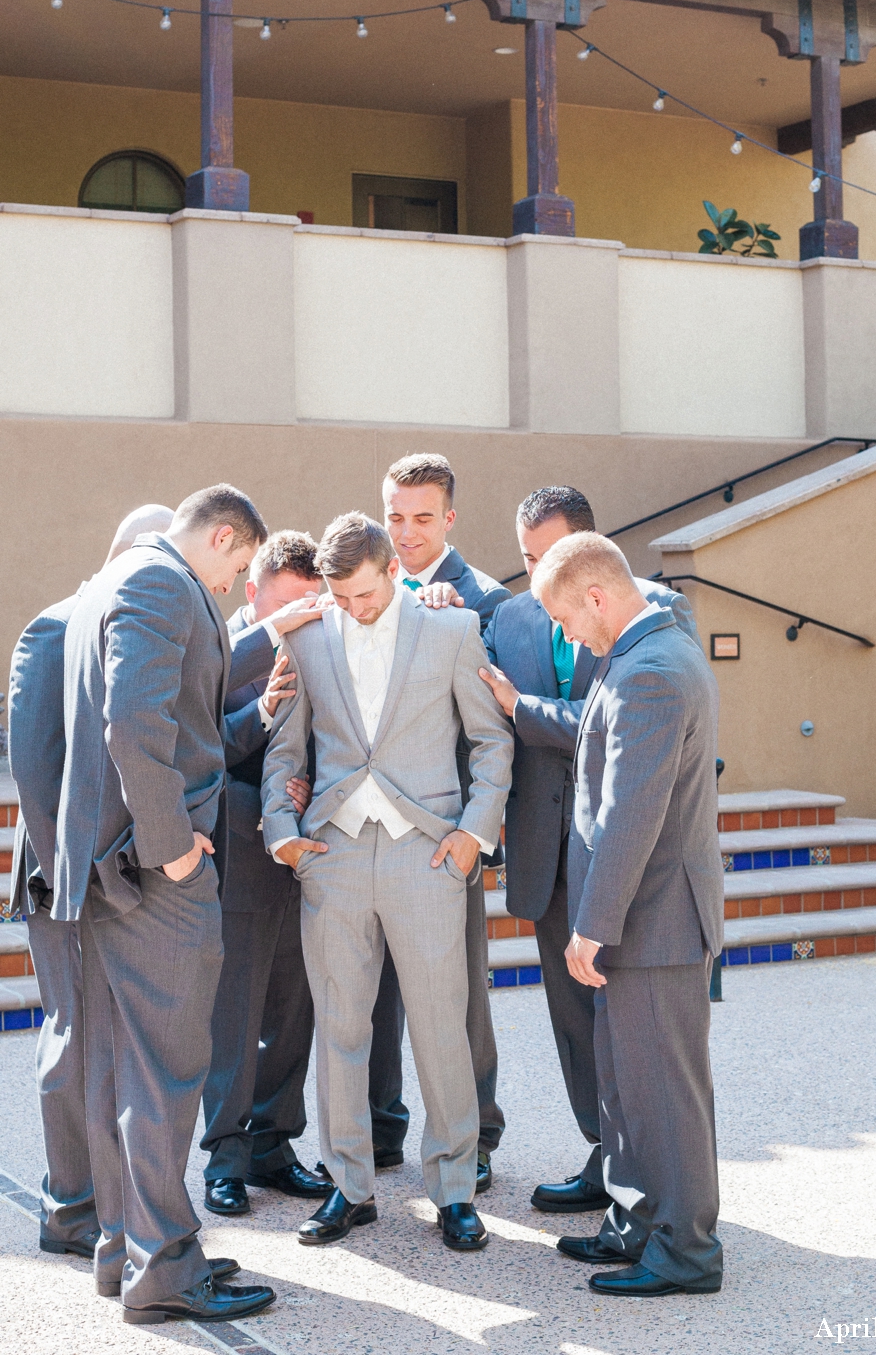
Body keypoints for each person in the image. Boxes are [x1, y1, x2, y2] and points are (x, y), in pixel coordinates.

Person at [56, 485, 279, 1325]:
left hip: (112, 873)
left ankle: (132, 1248)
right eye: (239, 565)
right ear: (223, 536)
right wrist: (174, 847)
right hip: (154, 877)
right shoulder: (158, 583)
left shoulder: (108, 585)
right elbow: (133, 725)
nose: (230, 584)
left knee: (127, 1071)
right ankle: (165, 1275)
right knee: (166, 1074)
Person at [260, 513, 513, 1252]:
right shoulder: (306, 638)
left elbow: (490, 742)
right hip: (332, 858)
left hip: (427, 857)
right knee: (340, 1027)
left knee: (441, 1027)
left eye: (366, 595)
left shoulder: (452, 630)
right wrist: (284, 836)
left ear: (393, 573)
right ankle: (348, 1187)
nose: (354, 608)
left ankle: (455, 1190)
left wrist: (473, 835)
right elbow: (285, 748)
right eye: (341, 597)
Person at [498, 532, 724, 1297]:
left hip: (653, 922)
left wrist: (591, 924)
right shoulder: (642, 652)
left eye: (565, 619)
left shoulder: (652, 670)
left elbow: (629, 812)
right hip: (644, 918)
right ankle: (634, 1222)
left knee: (664, 1093)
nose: (566, 635)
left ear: (596, 596)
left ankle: (684, 1252)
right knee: (626, 1087)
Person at [8, 505, 172, 1266]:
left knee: (89, 1043)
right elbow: (36, 766)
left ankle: (91, 1207)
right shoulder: (56, 624)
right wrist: (73, 877)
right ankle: (77, 1208)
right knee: (77, 1043)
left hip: (94, 876)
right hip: (66, 881)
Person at [368, 453, 511, 1193]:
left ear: (449, 517)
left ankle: (475, 1134)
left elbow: (490, 733)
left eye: (422, 517)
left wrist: (474, 833)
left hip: (444, 836)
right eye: (394, 515)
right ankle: (380, 1128)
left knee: (456, 995)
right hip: (363, 836)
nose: (405, 532)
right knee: (372, 994)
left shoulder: (483, 601)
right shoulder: (366, 587)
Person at [201, 531, 330, 1216]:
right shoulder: (217, 647)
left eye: (311, 606)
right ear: (253, 594)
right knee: (234, 1014)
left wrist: (311, 781)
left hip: (306, 855)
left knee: (291, 1009)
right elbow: (199, 749)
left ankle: (274, 1146)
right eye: (287, 609)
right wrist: (263, 713)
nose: (301, 621)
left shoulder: (325, 637)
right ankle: (223, 1155)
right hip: (237, 854)